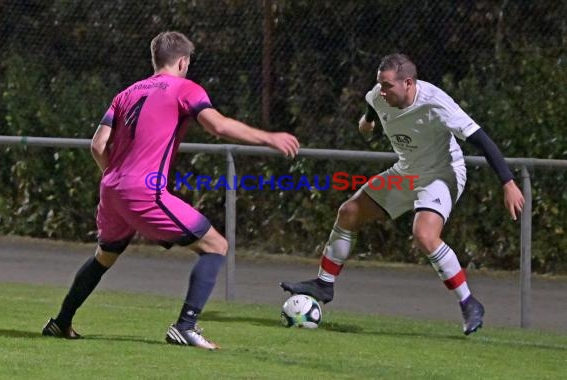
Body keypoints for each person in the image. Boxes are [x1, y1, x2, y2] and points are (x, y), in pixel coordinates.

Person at [42, 31, 300, 349]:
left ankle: (61, 322)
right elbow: (218, 126)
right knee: (216, 246)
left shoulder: (126, 93)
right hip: (143, 190)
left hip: (111, 186)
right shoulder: (184, 88)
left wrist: (117, 178)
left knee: (104, 256)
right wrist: (269, 137)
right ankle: (186, 326)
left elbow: (97, 145)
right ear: (182, 61)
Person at [281, 53, 524, 335]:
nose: (381, 91)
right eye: (380, 85)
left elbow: (482, 140)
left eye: (387, 86)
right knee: (349, 212)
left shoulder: (436, 103)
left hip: (441, 174)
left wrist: (508, 182)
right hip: (405, 173)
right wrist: (368, 122)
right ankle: (324, 285)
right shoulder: (377, 95)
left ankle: (469, 303)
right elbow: (371, 107)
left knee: (424, 235)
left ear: (408, 83)